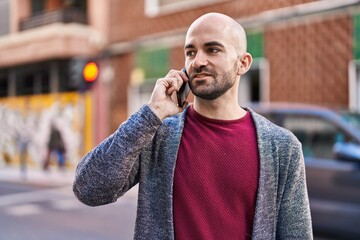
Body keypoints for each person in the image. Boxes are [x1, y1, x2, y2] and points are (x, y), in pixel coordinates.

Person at [73, 12, 313, 239]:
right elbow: (88, 188)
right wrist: (151, 114)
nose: (198, 61)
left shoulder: (282, 147)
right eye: (190, 52)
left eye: (213, 49)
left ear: (243, 63)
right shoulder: (158, 134)